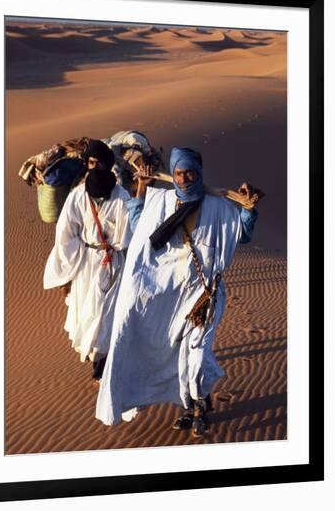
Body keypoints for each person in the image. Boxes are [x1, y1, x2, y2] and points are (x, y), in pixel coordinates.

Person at [95, 147, 261, 435]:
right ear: (172, 174)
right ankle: (193, 405)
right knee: (177, 355)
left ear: (199, 172)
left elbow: (242, 234)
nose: (184, 179)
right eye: (179, 173)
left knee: (196, 356)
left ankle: (198, 408)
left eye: (190, 172)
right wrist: (141, 191)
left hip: (204, 295)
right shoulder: (161, 202)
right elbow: (139, 229)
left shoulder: (219, 206)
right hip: (168, 296)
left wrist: (248, 209)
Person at [43, 139, 132, 381]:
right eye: (92, 163)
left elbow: (127, 236)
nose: (96, 168)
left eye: (101, 164)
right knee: (87, 312)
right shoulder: (77, 196)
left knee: (106, 313)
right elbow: (65, 235)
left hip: (113, 262)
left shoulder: (121, 196)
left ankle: (103, 362)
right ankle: (98, 357)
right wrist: (67, 274)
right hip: (85, 263)